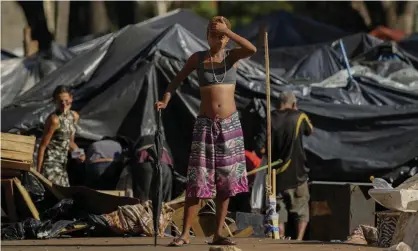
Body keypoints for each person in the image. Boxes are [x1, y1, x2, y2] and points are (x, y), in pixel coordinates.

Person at [155, 16, 256, 246]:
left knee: (226, 182)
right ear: (207, 36)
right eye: (214, 33)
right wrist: (165, 99)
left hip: (230, 125)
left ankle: (218, 233)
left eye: (222, 33)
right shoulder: (198, 58)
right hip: (205, 125)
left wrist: (228, 32)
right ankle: (184, 234)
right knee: (197, 180)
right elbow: (175, 81)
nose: (218, 37)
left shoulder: (232, 57)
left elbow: (252, 48)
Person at [256, 91, 313, 240]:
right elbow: (310, 131)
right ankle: (299, 240)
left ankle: (279, 237)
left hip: (276, 176)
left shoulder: (269, 118)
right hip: (297, 174)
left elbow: (260, 149)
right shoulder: (300, 116)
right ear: (294, 104)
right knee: (301, 208)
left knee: (278, 208)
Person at [37, 85, 84, 187]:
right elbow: (42, 146)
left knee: (65, 195)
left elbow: (70, 142)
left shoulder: (74, 116)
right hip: (51, 164)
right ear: (55, 102)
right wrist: (38, 173)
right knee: (58, 195)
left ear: (71, 98)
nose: (63, 104)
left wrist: (79, 154)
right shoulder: (54, 120)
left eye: (66, 100)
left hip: (63, 165)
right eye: (60, 101)